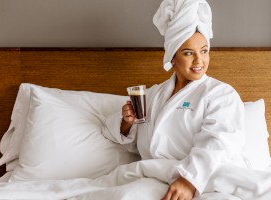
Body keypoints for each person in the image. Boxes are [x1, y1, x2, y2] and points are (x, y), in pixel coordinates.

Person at [103, 0, 249, 199]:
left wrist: (189, 181)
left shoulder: (221, 94)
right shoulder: (153, 95)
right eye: (189, 53)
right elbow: (143, 142)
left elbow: (218, 143)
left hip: (209, 179)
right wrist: (126, 124)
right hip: (159, 177)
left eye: (204, 51)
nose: (199, 61)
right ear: (172, 57)